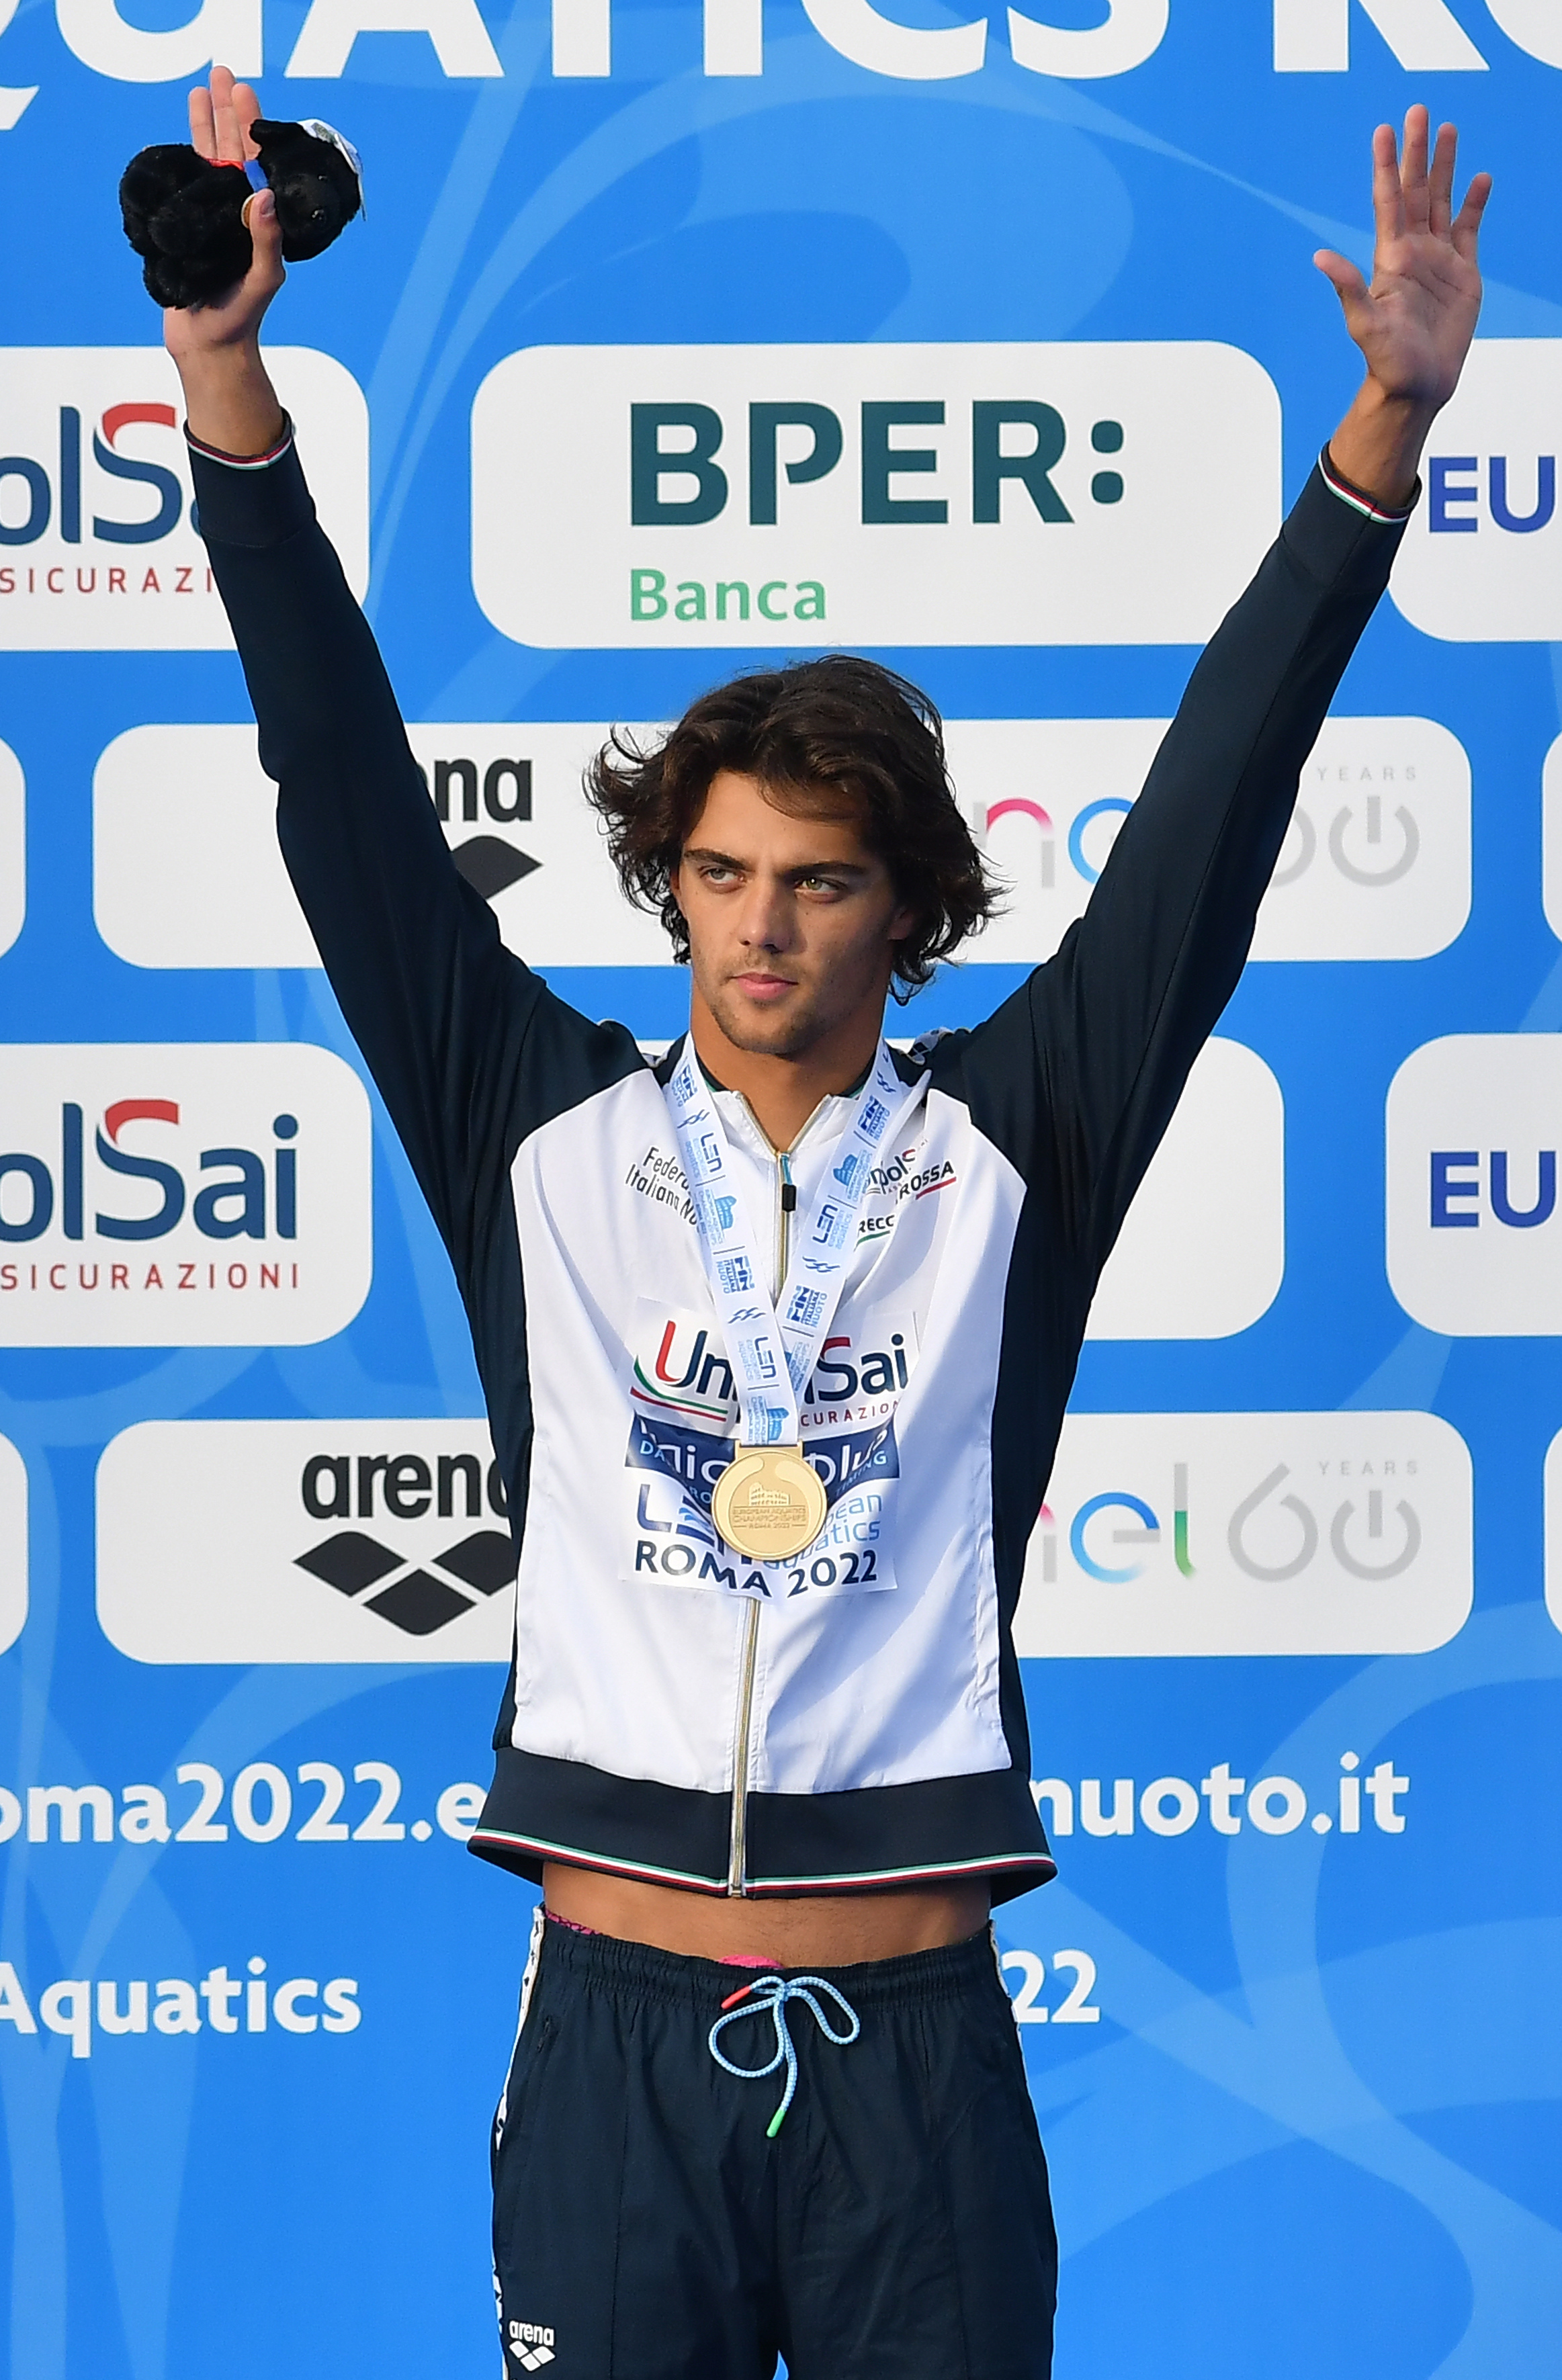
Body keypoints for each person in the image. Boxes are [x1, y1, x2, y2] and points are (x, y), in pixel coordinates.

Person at [163, 70, 1487, 2379]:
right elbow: (339, 789)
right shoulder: (538, 1131)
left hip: (916, 2059)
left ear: (908, 911)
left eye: (821, 885)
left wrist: (1375, 436)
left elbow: (1216, 801)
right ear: (669, 883)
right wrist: (224, 382)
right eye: (719, 879)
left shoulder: (1017, 1147)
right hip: (611, 2039)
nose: (758, 934)